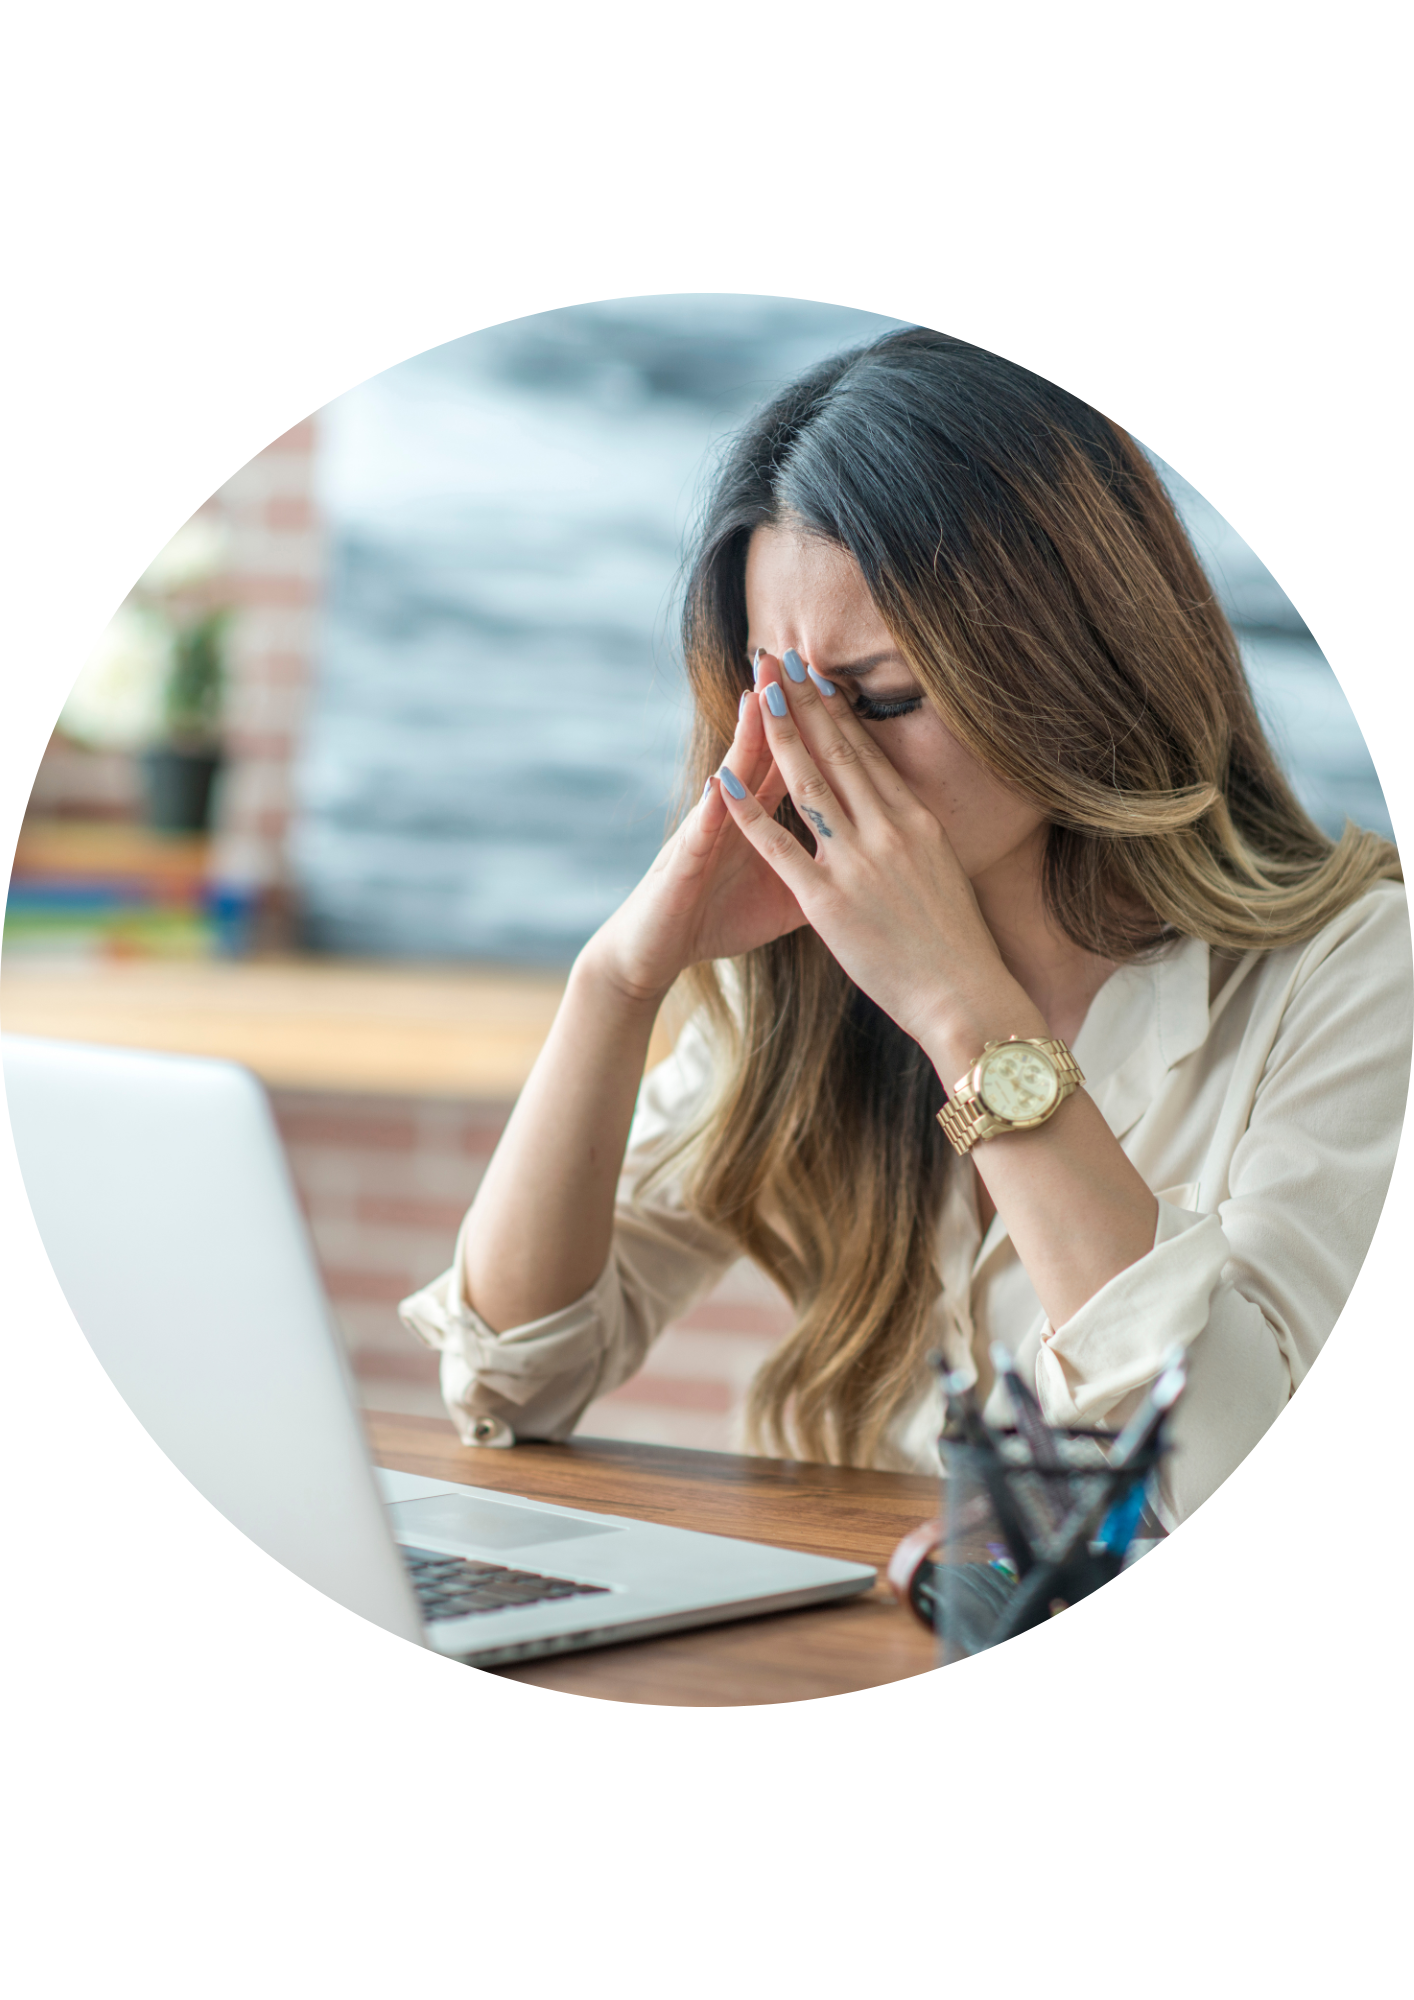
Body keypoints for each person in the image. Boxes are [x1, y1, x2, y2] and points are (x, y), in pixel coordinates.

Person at [399, 328, 1409, 1530]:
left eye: (881, 698)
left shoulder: (1353, 972)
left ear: (1075, 660)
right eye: (785, 697)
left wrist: (961, 1014)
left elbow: (1210, 1469)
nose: (819, 760)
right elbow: (510, 1381)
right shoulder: (808, 971)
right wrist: (618, 981)